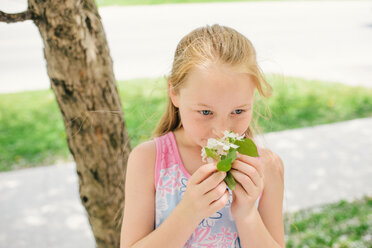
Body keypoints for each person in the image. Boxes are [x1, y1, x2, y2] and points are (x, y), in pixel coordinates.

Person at [120, 24, 285, 248]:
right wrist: (189, 212)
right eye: (206, 112)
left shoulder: (266, 167)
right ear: (174, 94)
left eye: (238, 111)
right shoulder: (148, 160)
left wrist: (246, 213)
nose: (221, 130)